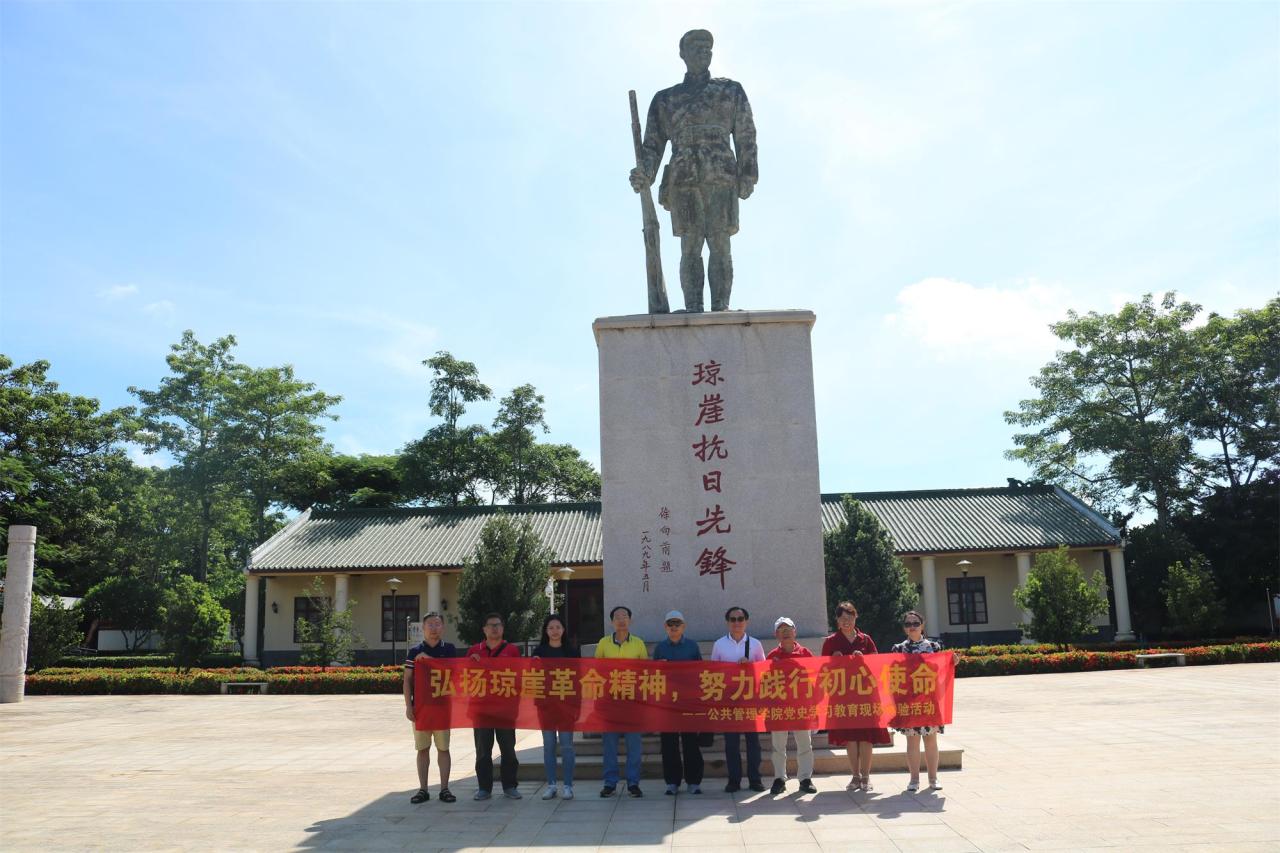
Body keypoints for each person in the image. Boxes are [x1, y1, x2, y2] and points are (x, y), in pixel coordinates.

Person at [628, 29, 758, 313]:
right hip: (684, 176)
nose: (704, 52)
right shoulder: (666, 99)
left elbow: (746, 134)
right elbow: (652, 146)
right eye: (697, 47)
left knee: (721, 244)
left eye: (708, 48)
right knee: (690, 245)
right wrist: (644, 173)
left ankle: (720, 307)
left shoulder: (730, 90)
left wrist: (748, 173)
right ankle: (693, 307)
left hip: (721, 173)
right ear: (682, 54)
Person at [821, 601, 891, 792]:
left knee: (866, 737)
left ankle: (866, 777)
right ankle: (855, 776)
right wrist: (833, 661)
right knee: (850, 737)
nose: (846, 621)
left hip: (866, 694)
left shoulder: (865, 639)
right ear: (837, 620)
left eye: (850, 617)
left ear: (856, 617)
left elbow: (878, 665)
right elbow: (822, 670)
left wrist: (865, 660)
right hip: (843, 695)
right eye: (842, 618)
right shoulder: (831, 641)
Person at [403, 612, 457, 804]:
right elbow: (407, 680)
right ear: (423, 628)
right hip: (421, 708)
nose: (434, 628)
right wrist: (408, 706)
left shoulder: (449, 649)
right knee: (422, 749)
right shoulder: (414, 652)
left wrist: (429, 661)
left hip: (443, 707)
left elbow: (454, 674)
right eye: (430, 625)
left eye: (437, 624)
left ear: (443, 627)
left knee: (443, 748)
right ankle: (423, 789)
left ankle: (444, 789)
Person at [594, 605, 648, 797]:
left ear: (630, 620)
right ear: (612, 622)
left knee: (634, 745)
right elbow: (596, 671)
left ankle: (633, 783)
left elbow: (645, 672)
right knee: (610, 745)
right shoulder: (603, 643)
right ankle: (610, 783)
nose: (621, 620)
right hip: (610, 702)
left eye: (625, 616)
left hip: (632, 702)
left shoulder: (638, 644)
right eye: (617, 617)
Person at [467, 612, 522, 800]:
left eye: (498, 625)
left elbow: (519, 678)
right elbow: (464, 679)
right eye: (491, 625)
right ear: (484, 629)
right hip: (481, 710)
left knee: (508, 750)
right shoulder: (474, 651)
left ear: (503, 628)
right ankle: (484, 788)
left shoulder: (512, 650)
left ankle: (510, 786)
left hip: (505, 710)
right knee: (483, 751)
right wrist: (470, 664)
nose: (494, 628)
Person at [711, 605, 766, 793]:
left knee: (753, 743)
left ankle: (755, 779)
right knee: (731, 743)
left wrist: (750, 665)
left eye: (740, 619)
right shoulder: (719, 644)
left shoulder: (755, 644)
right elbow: (713, 673)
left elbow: (763, 671)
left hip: (750, 700)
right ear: (728, 622)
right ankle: (734, 780)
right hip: (729, 700)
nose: (737, 623)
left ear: (746, 621)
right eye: (733, 619)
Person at [651, 610, 704, 795]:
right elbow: (653, 675)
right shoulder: (660, 648)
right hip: (667, 704)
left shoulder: (692, 646)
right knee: (669, 744)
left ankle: (694, 781)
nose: (674, 628)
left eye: (677, 624)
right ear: (665, 627)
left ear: (684, 626)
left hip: (687, 702)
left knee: (691, 743)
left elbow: (700, 672)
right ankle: (672, 782)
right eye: (670, 624)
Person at [891, 611, 946, 792]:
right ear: (904, 628)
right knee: (912, 741)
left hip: (929, 699)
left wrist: (952, 663)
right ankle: (914, 779)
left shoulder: (934, 647)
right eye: (908, 624)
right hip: (909, 701)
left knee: (931, 740)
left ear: (922, 625)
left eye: (916, 623)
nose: (912, 627)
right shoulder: (898, 649)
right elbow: (892, 675)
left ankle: (933, 778)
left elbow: (942, 672)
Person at [766, 617, 816, 795]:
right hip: (779, 707)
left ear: (795, 632)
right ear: (776, 635)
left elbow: (815, 677)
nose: (785, 632)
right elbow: (765, 682)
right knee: (778, 745)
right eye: (781, 629)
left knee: (805, 744)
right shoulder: (772, 656)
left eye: (788, 629)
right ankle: (779, 778)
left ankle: (805, 779)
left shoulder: (805, 653)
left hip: (801, 706)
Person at [532, 613, 578, 800]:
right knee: (549, 746)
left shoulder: (571, 652)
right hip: (546, 706)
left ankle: (568, 786)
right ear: (546, 631)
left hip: (567, 706)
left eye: (558, 627)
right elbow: (533, 679)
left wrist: (577, 706)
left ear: (563, 630)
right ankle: (551, 785)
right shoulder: (539, 652)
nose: (555, 631)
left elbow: (578, 681)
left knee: (567, 746)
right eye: (551, 628)